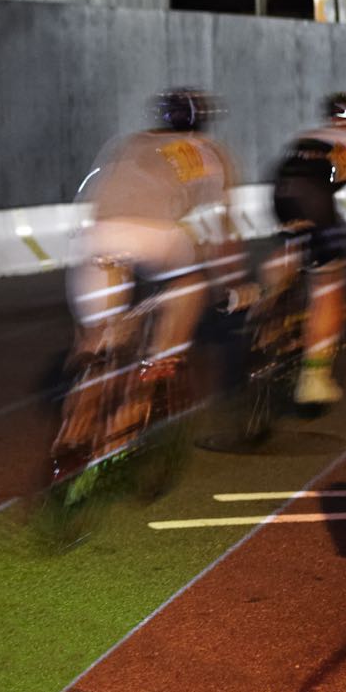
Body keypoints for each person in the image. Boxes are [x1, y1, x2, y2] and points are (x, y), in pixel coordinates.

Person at [59, 88, 245, 460]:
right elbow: (222, 233)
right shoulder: (208, 151)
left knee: (100, 336)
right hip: (156, 236)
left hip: (96, 238)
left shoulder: (127, 143)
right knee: (190, 284)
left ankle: (72, 427)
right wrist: (234, 283)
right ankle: (157, 364)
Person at [270, 92, 346, 406]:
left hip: (282, 194)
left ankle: (267, 314)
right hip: (316, 200)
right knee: (329, 284)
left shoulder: (306, 137)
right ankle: (314, 379)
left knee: (296, 245)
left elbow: (287, 171)